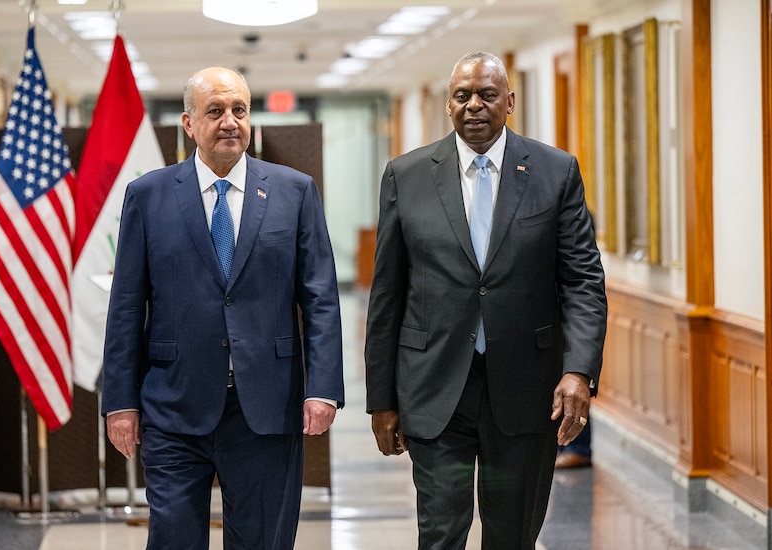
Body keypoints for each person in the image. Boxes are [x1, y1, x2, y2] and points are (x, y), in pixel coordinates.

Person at [365, 51, 607, 549]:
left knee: (512, 534)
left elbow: (583, 281)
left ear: (509, 102)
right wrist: (382, 401)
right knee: (440, 533)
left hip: (524, 390)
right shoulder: (406, 176)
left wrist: (578, 370)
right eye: (462, 96)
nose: (474, 105)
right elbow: (387, 294)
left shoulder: (554, 171)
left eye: (487, 94)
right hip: (434, 389)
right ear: (447, 106)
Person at [101, 66, 344, 550]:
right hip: (173, 404)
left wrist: (323, 388)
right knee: (172, 539)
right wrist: (120, 402)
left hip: (266, 406)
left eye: (239, 110)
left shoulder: (294, 191)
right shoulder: (147, 196)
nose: (230, 121)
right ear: (189, 123)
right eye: (215, 111)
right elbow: (127, 304)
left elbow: (320, 297)